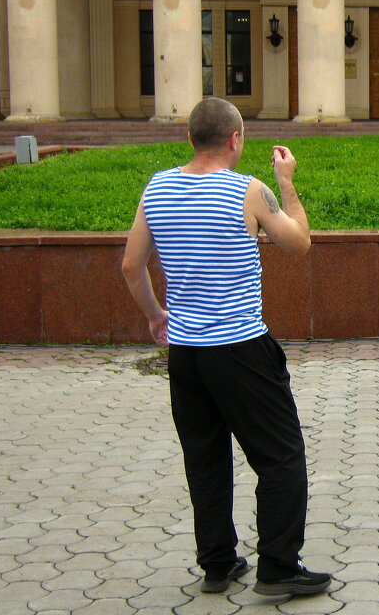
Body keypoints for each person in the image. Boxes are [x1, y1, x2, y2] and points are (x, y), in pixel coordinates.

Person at [120, 98, 332, 599]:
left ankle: (218, 564)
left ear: (191, 138)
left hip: (186, 352)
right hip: (240, 348)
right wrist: (286, 182)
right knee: (281, 457)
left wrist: (156, 315)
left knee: (205, 458)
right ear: (235, 139)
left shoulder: (157, 187)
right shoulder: (249, 191)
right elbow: (300, 243)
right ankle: (278, 569)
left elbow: (131, 266)